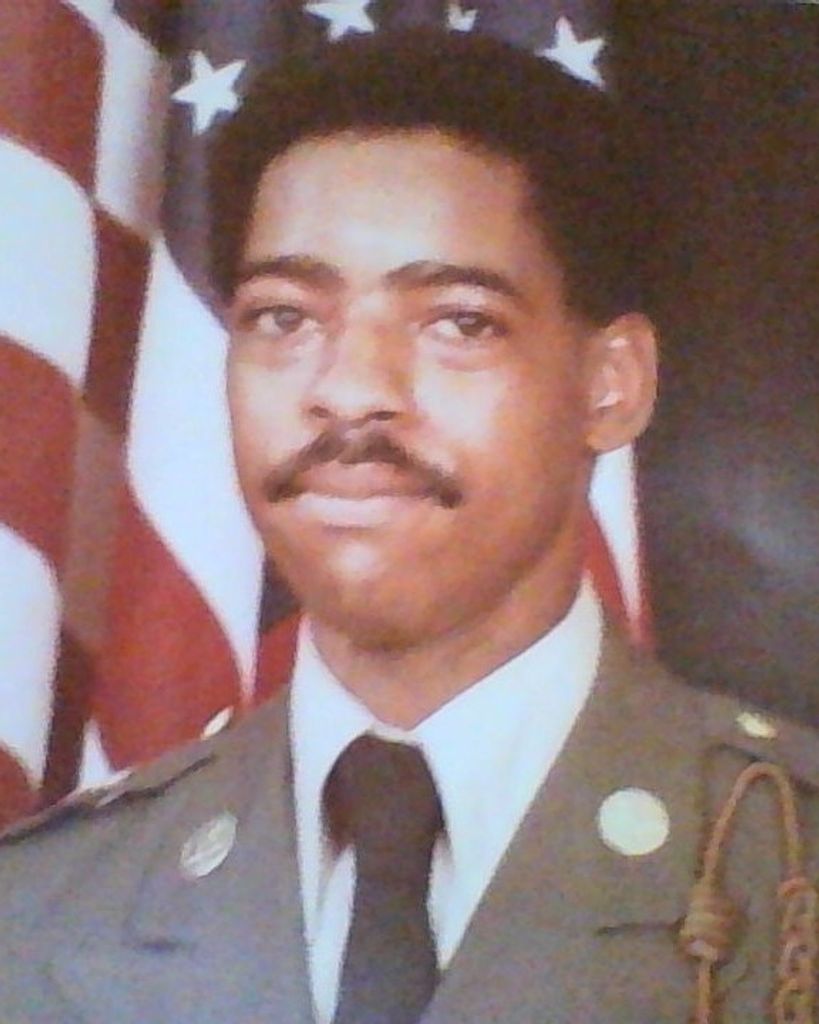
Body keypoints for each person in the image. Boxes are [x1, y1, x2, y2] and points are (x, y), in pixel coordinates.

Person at [1, 29, 817, 1024]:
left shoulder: (786, 859)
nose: (349, 390)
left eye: (458, 321)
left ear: (611, 385)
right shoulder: (39, 909)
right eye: (284, 317)